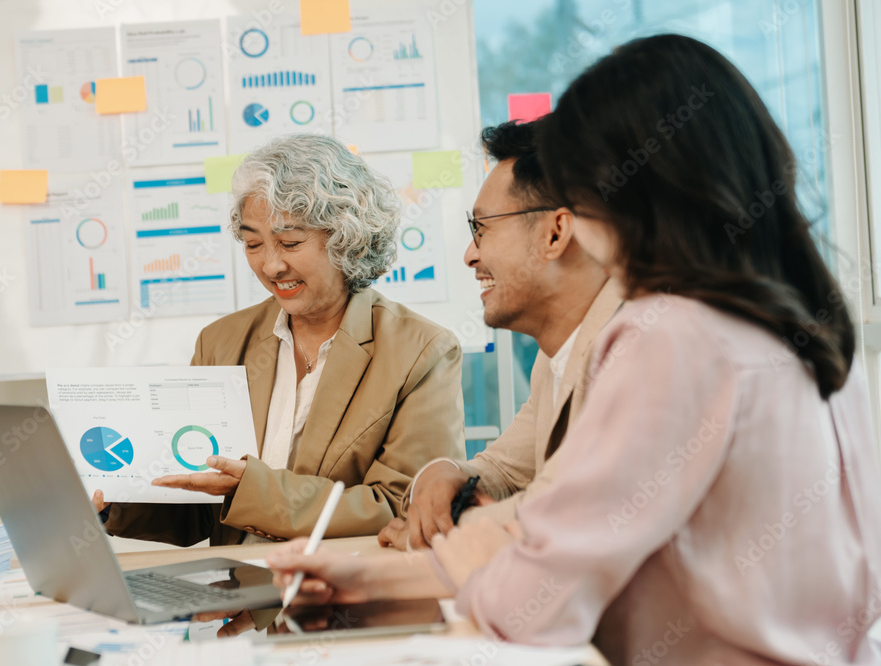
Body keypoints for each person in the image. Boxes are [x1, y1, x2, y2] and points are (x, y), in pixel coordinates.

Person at [265, 35, 881, 665]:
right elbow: (568, 534)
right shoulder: (808, 331)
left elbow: (540, 600)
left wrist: (472, 546)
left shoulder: (667, 336)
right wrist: (367, 584)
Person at [99, 134, 465, 548]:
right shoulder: (221, 342)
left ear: (347, 237)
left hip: (341, 601)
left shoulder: (422, 351)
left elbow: (402, 506)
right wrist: (118, 498)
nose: (271, 265)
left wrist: (255, 491)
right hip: (237, 602)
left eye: (290, 243)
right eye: (254, 244)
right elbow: (199, 510)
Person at [378, 119, 622, 551]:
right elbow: (507, 471)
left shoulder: (637, 352)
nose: (471, 255)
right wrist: (448, 472)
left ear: (555, 233)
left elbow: (589, 519)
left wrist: (467, 531)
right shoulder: (558, 353)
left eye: (482, 229)